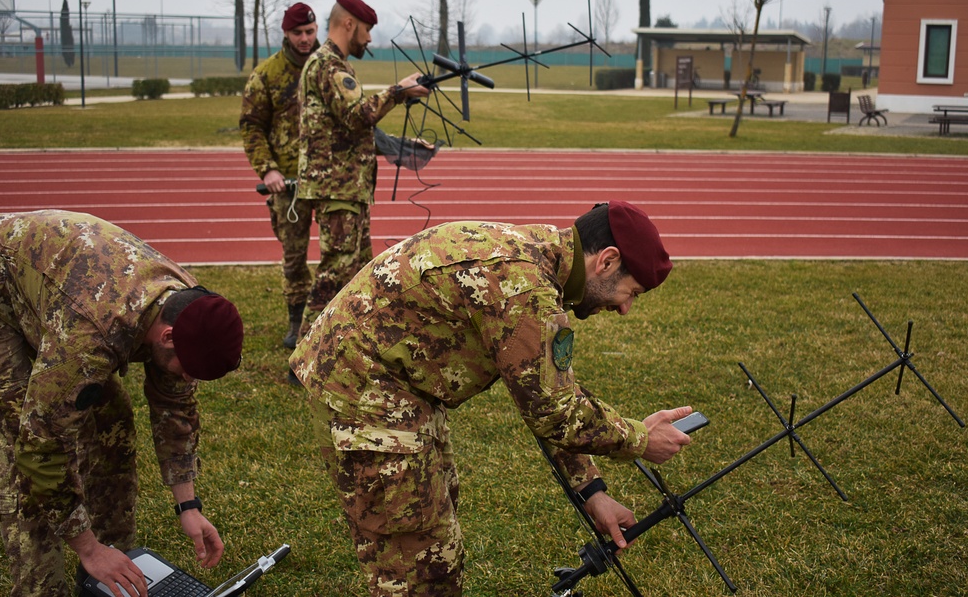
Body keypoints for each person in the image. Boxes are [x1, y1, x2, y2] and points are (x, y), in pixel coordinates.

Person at [290, 201, 696, 596]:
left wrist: (593, 492)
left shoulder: (537, 262)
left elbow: (549, 392)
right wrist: (640, 439)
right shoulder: (525, 287)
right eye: (632, 292)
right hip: (364, 393)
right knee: (418, 569)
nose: (625, 308)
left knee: (434, 537)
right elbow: (554, 412)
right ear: (606, 261)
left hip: (395, 388)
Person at [0, 210, 244, 597]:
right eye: (189, 370)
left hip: (57, 288)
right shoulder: (94, 333)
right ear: (168, 336)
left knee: (111, 420)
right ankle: (45, 586)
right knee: (21, 438)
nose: (189, 380)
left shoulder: (187, 307)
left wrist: (188, 506)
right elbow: (40, 444)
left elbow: (175, 408)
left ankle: (116, 564)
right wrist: (87, 549)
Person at [295, 0, 430, 339]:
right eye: (367, 30)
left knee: (354, 269)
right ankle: (306, 354)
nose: (369, 39)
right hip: (336, 187)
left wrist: (404, 146)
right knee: (335, 272)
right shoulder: (328, 66)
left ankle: (347, 342)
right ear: (349, 24)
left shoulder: (333, 65)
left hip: (347, 187)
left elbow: (351, 127)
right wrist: (399, 91)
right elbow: (358, 116)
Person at [241, 2, 320, 350]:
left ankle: (333, 316)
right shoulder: (268, 74)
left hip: (329, 176)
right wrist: (268, 169)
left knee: (340, 255)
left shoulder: (329, 68)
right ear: (286, 34)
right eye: (298, 33)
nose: (305, 39)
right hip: (287, 183)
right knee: (294, 256)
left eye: (310, 32)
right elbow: (252, 126)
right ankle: (296, 319)